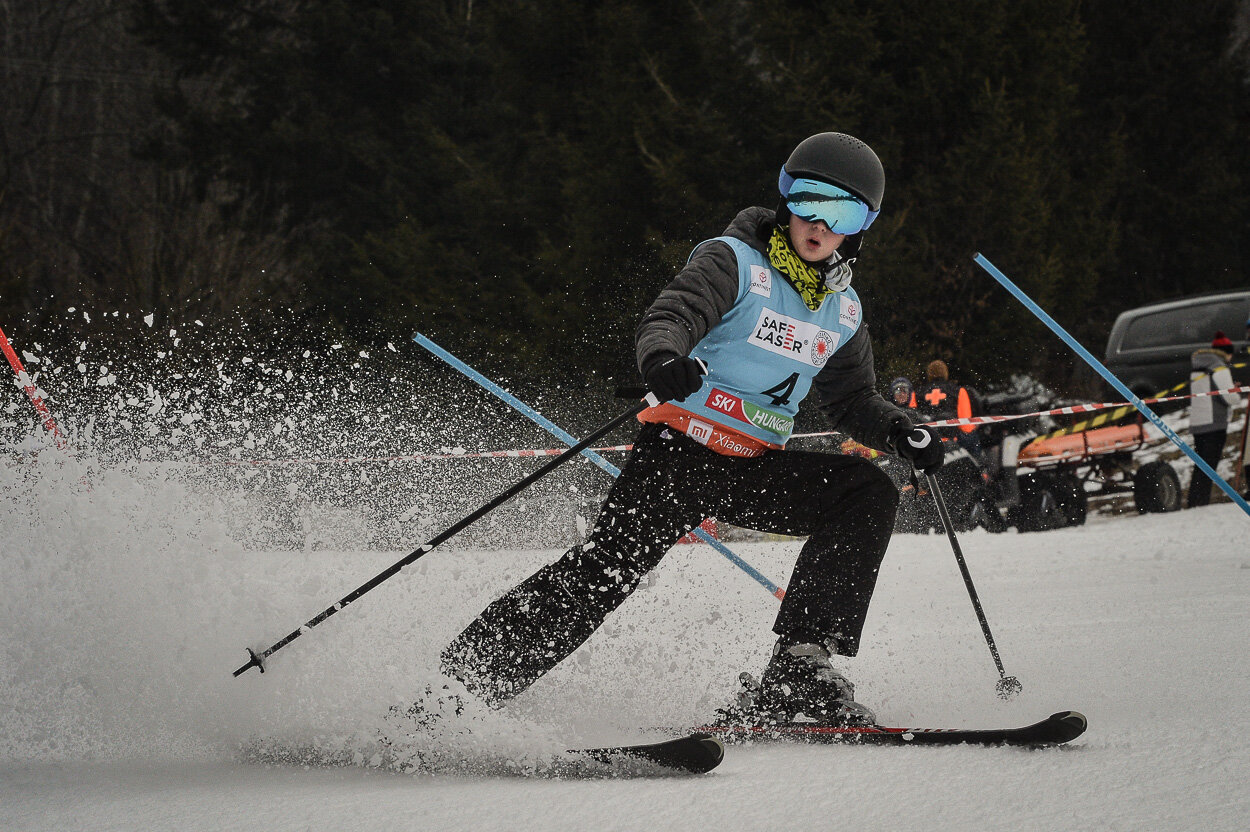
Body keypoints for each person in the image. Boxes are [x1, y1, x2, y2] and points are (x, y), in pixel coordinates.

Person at [439, 132, 943, 728]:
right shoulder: (734, 261)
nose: (819, 225)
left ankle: (797, 673)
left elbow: (853, 399)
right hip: (677, 457)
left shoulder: (844, 310)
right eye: (809, 202)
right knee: (604, 571)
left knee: (866, 492)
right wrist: (664, 361)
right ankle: (454, 696)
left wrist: (900, 430)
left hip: (751, 468)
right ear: (786, 199)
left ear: (859, 230)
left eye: (842, 215)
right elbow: (674, 314)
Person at [1186, 332, 1239, 508]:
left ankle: (1194, 502)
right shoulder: (1219, 367)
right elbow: (1229, 397)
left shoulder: (1198, 366)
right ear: (1227, 353)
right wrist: (1236, 393)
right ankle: (1201, 504)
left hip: (1198, 422)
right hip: (1214, 423)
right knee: (1209, 468)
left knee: (1200, 467)